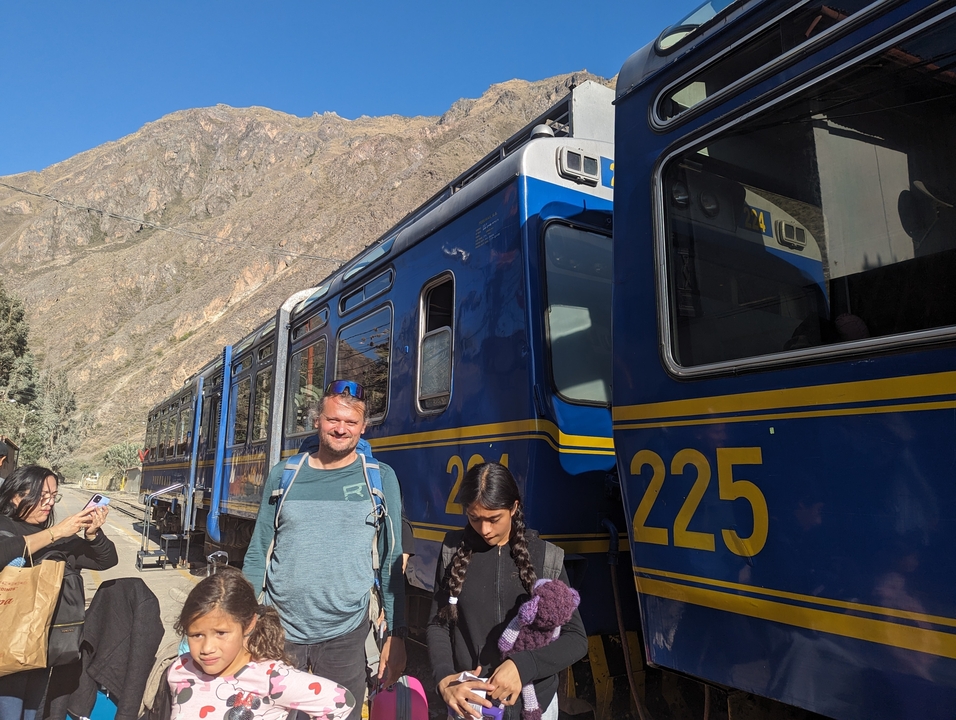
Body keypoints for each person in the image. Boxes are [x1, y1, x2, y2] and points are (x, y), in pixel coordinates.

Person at [243, 380, 406, 720]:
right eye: (333, 420)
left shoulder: (379, 478)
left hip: (345, 635)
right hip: (278, 629)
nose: (341, 429)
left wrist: (397, 633)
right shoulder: (284, 475)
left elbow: (392, 560)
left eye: (351, 423)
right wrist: (244, 618)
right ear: (317, 420)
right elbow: (258, 551)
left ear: (363, 427)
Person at [427, 463, 587, 720]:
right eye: (474, 518)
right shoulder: (452, 550)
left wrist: (523, 666)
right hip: (472, 707)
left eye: (494, 519)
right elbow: (438, 625)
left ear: (514, 507)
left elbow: (576, 638)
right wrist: (445, 679)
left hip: (536, 708)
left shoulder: (546, 557)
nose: (485, 529)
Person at [0, 465, 118, 720]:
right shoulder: (6, 526)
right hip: (6, 644)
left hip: (42, 647)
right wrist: (56, 532)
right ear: (15, 495)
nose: (49, 503)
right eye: (42, 495)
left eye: (53, 496)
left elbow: (105, 561)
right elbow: (4, 551)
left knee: (33, 712)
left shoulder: (60, 540)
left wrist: (93, 534)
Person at [169, 566, 355, 720]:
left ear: (249, 624)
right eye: (196, 635)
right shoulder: (180, 669)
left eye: (221, 633)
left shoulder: (272, 678)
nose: (207, 648)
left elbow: (340, 702)